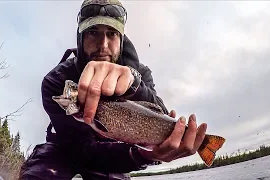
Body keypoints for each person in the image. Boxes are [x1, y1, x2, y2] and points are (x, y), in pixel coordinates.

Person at [18, 0, 207, 179]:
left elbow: (161, 114)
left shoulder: (141, 74)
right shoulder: (56, 80)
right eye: (93, 32)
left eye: (112, 33)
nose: (103, 45)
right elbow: (80, 148)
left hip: (119, 153)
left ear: (121, 39)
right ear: (80, 38)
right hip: (66, 148)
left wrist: (134, 85)